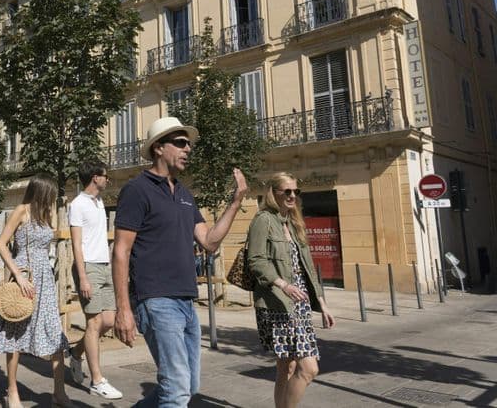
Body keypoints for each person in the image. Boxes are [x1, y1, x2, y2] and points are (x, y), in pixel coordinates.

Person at [112, 116, 248, 407]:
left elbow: (209, 242)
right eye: (180, 143)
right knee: (176, 390)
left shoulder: (185, 194)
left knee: (188, 385)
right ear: (158, 148)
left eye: (189, 144)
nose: (188, 149)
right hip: (155, 298)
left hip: (186, 301)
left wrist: (235, 202)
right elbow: (121, 251)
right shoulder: (137, 189)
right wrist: (123, 309)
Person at [247, 172, 335, 408]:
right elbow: (255, 260)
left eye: (296, 191)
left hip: (301, 304)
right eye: (287, 191)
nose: (292, 196)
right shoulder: (263, 220)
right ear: (273, 193)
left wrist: (322, 304)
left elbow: (307, 268)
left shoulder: (294, 222)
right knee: (309, 368)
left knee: (287, 366)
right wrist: (283, 284)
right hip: (277, 303)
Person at [0, 174, 73, 408]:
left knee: (55, 333)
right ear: (42, 191)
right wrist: (17, 274)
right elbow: (1, 243)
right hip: (24, 276)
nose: (53, 198)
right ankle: (13, 391)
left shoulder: (46, 214)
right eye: (50, 193)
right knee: (16, 331)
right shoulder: (22, 210)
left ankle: (59, 392)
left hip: (45, 279)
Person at [67, 161, 122, 399]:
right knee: (93, 323)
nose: (107, 180)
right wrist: (83, 277)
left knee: (108, 321)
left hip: (105, 266)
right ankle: (97, 380)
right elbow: (76, 244)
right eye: (105, 176)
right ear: (95, 178)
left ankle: (76, 353)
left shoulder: (99, 202)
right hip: (88, 267)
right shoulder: (77, 204)